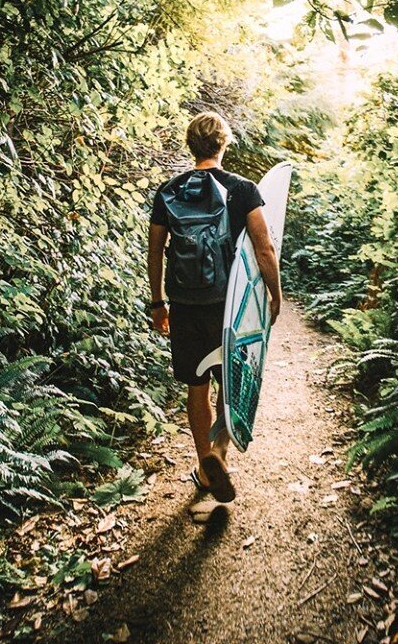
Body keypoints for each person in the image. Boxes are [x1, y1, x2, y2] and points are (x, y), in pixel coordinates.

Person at [147, 111, 281, 506]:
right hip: (231, 307)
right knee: (231, 379)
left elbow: (155, 252)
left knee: (196, 384)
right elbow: (264, 247)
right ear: (223, 144)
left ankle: (205, 460)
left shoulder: (168, 192)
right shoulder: (243, 189)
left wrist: (158, 303)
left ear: (191, 146)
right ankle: (219, 452)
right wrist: (274, 293)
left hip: (186, 305)